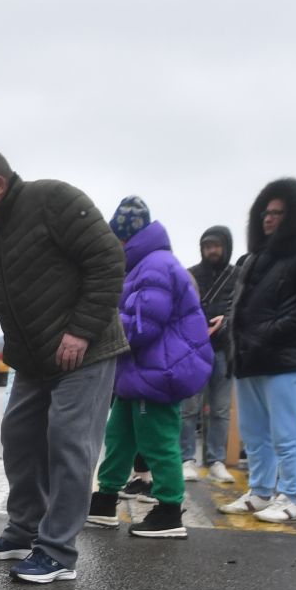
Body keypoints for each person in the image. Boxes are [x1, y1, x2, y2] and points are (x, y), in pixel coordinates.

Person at [0, 146, 128, 583]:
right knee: (18, 438)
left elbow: (107, 260)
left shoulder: (54, 201)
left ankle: (57, 552)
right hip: (34, 359)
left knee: (69, 443)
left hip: (86, 352)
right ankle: (24, 530)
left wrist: (81, 330)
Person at [85, 198, 213, 539]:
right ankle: (104, 501)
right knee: (120, 437)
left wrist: (96, 325)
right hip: (140, 372)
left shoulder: (154, 265)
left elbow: (144, 325)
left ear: (125, 237)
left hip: (157, 372)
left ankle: (170, 510)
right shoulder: (146, 264)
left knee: (157, 440)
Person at [217, 179, 296, 523]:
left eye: (279, 213)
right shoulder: (255, 257)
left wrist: (270, 333)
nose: (270, 219)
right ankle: (260, 492)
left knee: (288, 433)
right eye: (267, 212)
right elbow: (239, 305)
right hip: (250, 359)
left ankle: (292, 497)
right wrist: (234, 335)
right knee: (254, 434)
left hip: (286, 361)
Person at [181, 225, 237, 483]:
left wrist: (225, 321)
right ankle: (186, 458)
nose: (212, 250)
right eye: (207, 246)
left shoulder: (238, 275)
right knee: (189, 407)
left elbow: (243, 308)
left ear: (226, 246)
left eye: (216, 245)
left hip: (224, 350)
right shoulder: (190, 274)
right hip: (194, 350)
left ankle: (216, 460)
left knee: (221, 409)